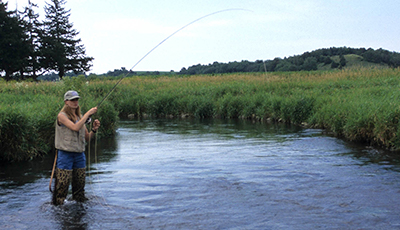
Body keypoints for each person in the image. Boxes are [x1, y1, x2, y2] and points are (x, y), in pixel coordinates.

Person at [53, 90, 101, 205]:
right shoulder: (61, 116)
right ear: (66, 102)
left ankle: (79, 207)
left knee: (80, 186)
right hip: (65, 154)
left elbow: (87, 138)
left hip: (79, 154)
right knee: (62, 185)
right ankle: (59, 208)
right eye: (72, 100)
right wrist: (87, 115)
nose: (75, 102)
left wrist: (94, 129)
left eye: (77, 99)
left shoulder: (80, 117)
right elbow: (75, 127)